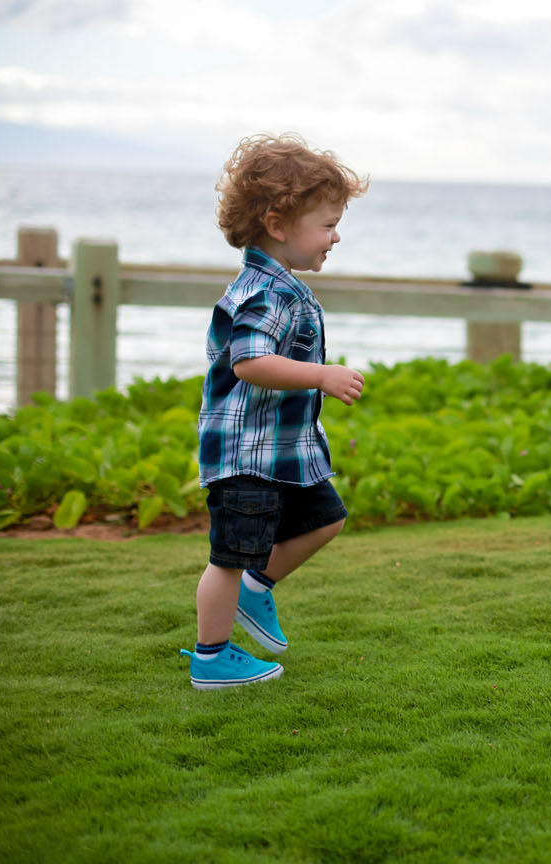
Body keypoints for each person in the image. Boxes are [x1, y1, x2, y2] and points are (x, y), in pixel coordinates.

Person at [180, 133, 369, 689]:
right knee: (229, 557)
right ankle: (211, 660)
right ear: (278, 225)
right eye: (327, 224)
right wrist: (322, 376)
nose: (337, 236)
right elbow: (249, 362)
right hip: (246, 456)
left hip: (282, 452)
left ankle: (255, 590)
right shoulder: (265, 292)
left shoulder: (285, 287)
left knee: (326, 518)